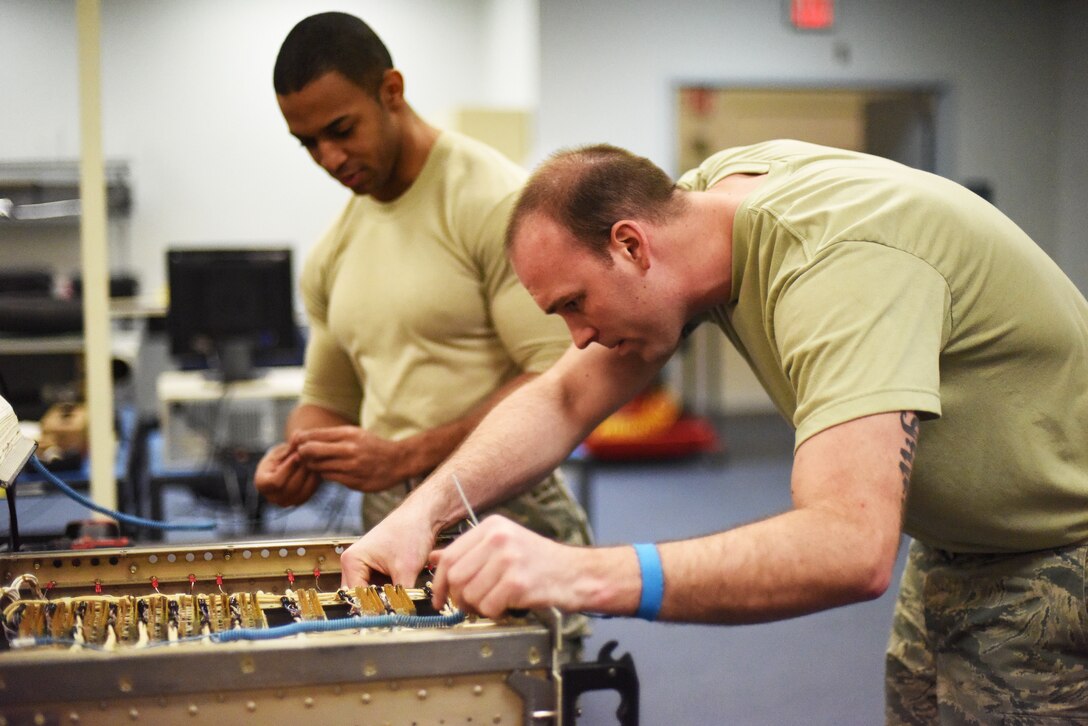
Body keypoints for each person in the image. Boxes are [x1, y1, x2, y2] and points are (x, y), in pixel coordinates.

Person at [340, 139, 1088, 722]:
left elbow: (849, 546)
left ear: (631, 245)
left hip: (1055, 551)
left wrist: (576, 572)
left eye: (575, 303)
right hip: (959, 544)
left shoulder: (838, 265)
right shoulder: (703, 208)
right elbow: (565, 400)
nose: (575, 337)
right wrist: (419, 513)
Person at [255, 12, 590, 560]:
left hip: (506, 517)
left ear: (392, 91)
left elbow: (557, 381)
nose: (329, 159)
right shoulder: (331, 251)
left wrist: (408, 457)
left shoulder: (496, 204)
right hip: (390, 526)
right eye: (308, 144)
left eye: (341, 131)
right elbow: (327, 399)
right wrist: (301, 456)